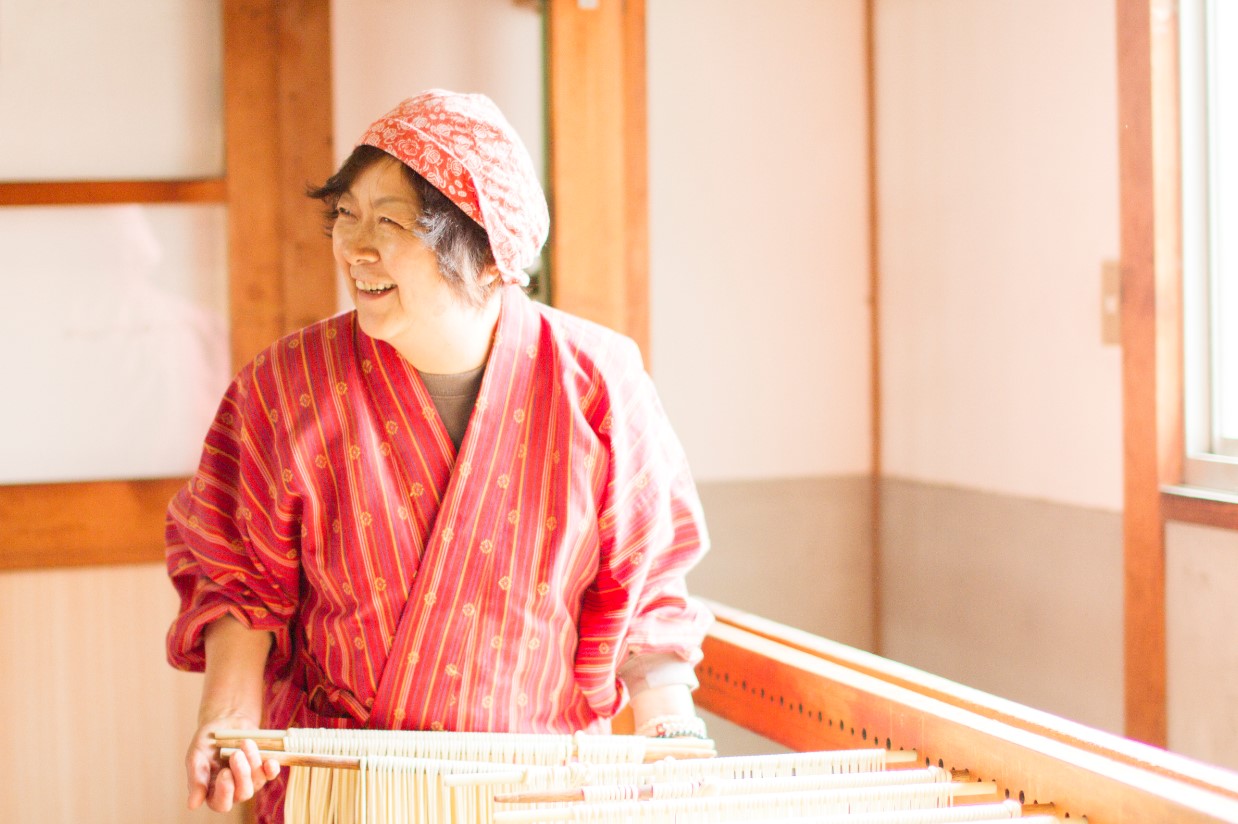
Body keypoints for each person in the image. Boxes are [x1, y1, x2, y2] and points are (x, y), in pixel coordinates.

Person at [165, 89, 711, 822]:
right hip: (340, 788)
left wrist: (671, 734)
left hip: (537, 790)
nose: (355, 247)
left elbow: (645, 589)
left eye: (390, 222)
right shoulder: (284, 386)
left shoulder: (598, 382)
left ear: (488, 257)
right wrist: (227, 721)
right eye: (345, 214)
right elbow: (238, 579)